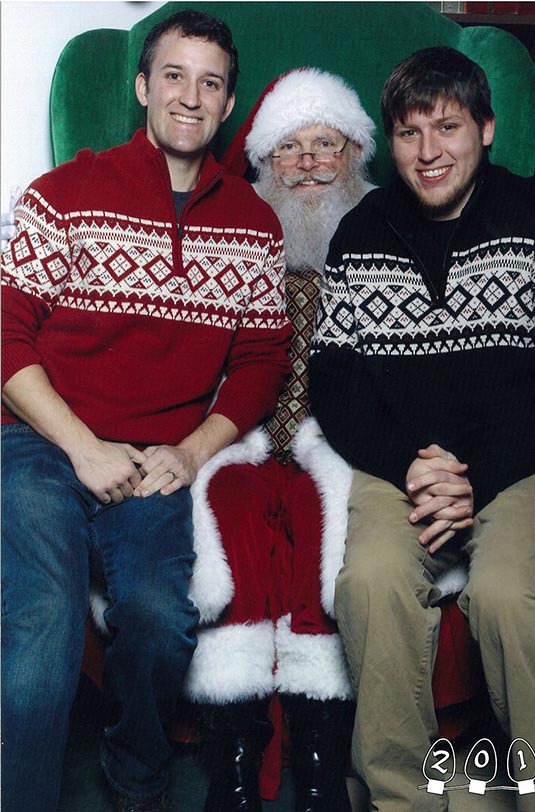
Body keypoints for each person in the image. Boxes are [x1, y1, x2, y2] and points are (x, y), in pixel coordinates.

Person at [1, 10, 291, 812]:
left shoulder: (254, 225)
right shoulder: (62, 194)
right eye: (173, 75)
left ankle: (136, 785)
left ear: (228, 103)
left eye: (210, 82)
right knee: (42, 629)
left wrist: (193, 452)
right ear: (141, 88)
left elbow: (262, 359)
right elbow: (6, 336)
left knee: (163, 623)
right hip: (39, 439)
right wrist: (81, 446)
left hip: (155, 455)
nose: (190, 98)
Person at [309, 47, 535, 812]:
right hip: (404, 467)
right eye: (409, 133)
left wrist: (477, 474)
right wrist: (410, 465)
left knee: (504, 594)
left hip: (531, 462)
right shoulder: (360, 230)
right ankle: (400, 800)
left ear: (487, 128)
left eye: (447, 127)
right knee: (368, 582)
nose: (428, 151)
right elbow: (334, 384)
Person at [178, 67, 376, 812]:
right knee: (226, 511)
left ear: (355, 154)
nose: (307, 164)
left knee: (320, 526)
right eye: (287, 150)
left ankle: (320, 768)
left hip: (346, 445)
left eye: (325, 145)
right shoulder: (232, 238)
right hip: (244, 439)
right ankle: (236, 767)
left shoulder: (384, 234)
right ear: (263, 165)